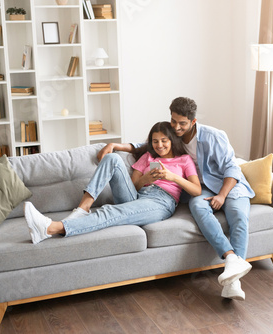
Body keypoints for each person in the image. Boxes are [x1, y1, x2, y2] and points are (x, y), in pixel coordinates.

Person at [98, 97, 255, 301]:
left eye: (182, 123)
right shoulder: (175, 135)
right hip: (202, 188)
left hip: (229, 186)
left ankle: (233, 281)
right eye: (174, 121)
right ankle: (230, 256)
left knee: (238, 217)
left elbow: (232, 168)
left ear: (193, 121)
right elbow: (148, 145)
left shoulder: (214, 136)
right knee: (197, 207)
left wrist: (222, 196)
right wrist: (115, 145)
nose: (177, 127)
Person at [24, 121, 201, 245]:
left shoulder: (184, 160)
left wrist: (173, 177)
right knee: (112, 158)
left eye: (164, 141)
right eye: (155, 141)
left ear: (172, 140)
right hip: (138, 195)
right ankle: (82, 209)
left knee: (110, 211)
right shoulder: (148, 156)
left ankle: (51, 228)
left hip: (161, 202)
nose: (159, 145)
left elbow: (196, 190)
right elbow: (132, 187)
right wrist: (145, 180)